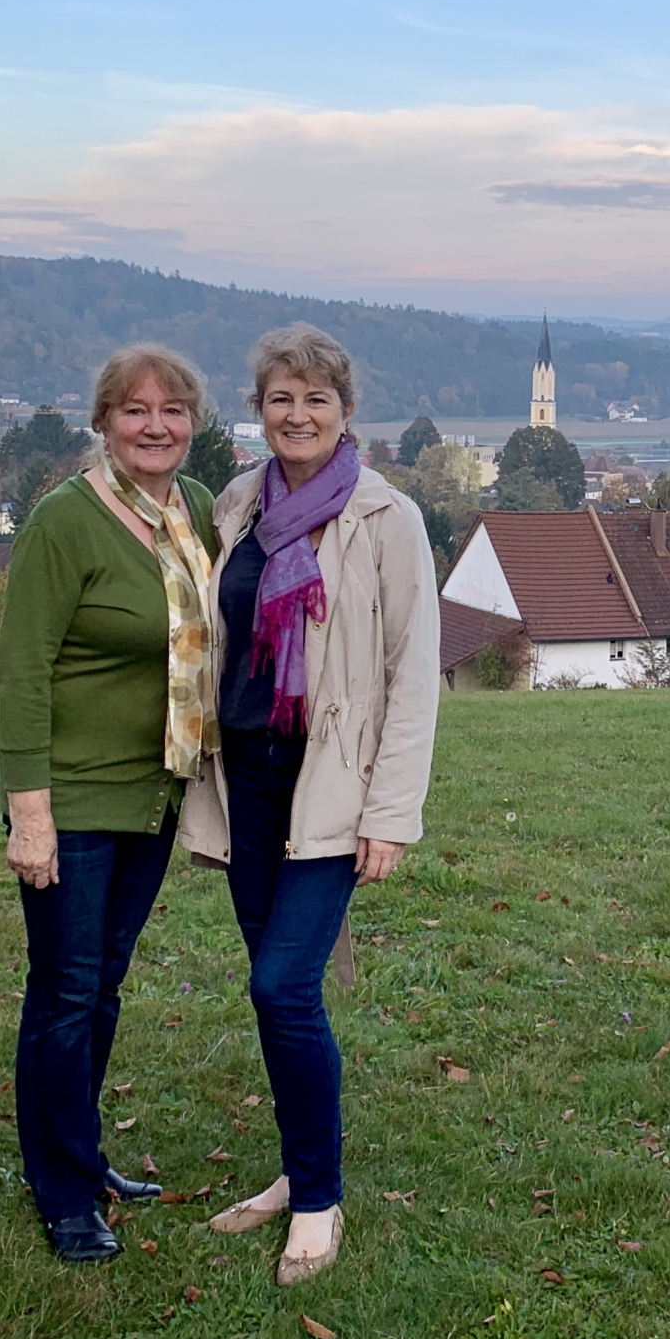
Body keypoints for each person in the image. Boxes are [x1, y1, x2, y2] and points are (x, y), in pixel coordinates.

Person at [186, 323, 440, 1286]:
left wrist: (391, 814)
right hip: (245, 776)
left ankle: (320, 1198)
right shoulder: (239, 507)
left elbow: (413, 677)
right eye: (281, 399)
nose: (298, 415)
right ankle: (297, 1173)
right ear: (260, 411)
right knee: (280, 991)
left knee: (282, 987)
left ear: (344, 413)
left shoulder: (387, 519)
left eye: (316, 400)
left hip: (332, 785)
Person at [0, 346, 221, 1263]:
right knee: (64, 990)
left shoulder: (194, 509)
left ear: (194, 425)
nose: (155, 425)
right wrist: (29, 813)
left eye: (172, 411)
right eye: (135, 410)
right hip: (75, 797)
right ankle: (59, 1188)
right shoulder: (65, 521)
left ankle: (81, 1158)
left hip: (156, 789)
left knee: (104, 983)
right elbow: (21, 673)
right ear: (104, 422)